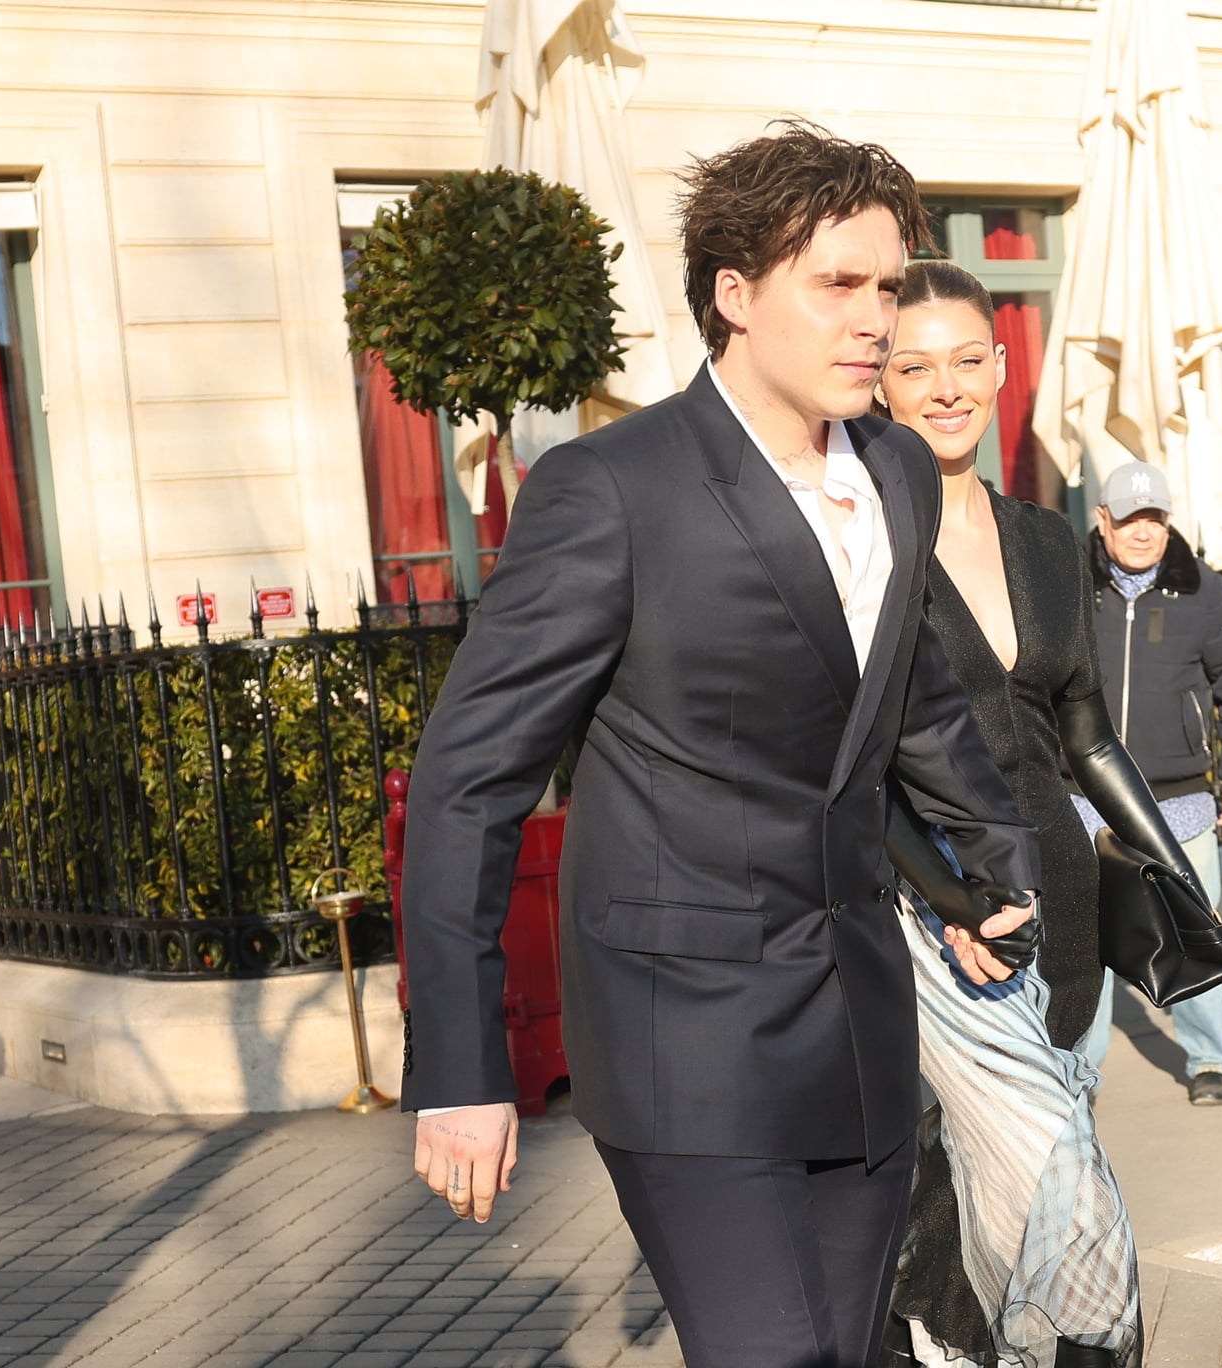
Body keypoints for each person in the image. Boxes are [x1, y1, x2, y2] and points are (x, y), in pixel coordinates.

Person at [395, 124, 1044, 1368]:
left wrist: (990, 859)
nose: (878, 322)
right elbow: (468, 783)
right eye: (837, 285)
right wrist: (462, 1067)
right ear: (734, 297)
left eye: (889, 285)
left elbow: (906, 700)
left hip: (859, 1022)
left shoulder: (900, 471)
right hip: (679, 1031)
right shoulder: (611, 488)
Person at [874, 260, 1209, 1368]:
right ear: (876, 381)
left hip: (1062, 909)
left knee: (1016, 1199)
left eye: (966, 360)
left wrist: (1170, 875)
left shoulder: (1045, 538)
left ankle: (952, 1343)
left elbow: (1084, 733)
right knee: (1068, 1225)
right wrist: (949, 899)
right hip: (943, 923)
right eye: (912, 365)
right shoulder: (856, 543)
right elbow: (860, 770)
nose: (944, 387)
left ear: (1001, 367)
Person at [1072, 462, 1222, 1107]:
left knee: (1193, 933)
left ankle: (1208, 1060)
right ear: (1103, 521)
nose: (1142, 532)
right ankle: (1080, 1069)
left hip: (1179, 801)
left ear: (1167, 522)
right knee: (1087, 940)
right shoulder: (1068, 586)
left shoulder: (1203, 590)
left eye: (1153, 519)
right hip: (1085, 799)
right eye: (1129, 520)